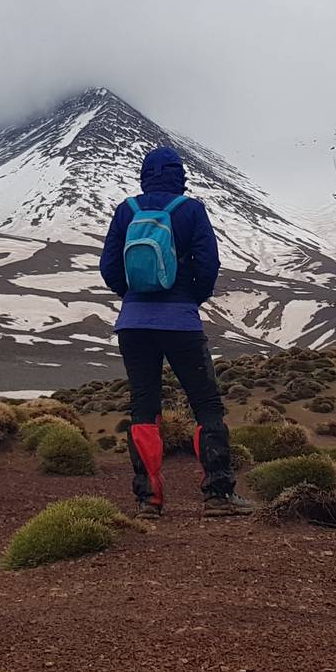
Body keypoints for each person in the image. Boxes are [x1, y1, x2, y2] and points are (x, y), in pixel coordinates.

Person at [99, 145, 252, 518]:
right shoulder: (191, 210)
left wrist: (132, 296)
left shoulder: (127, 210)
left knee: (144, 406)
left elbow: (109, 267)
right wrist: (190, 297)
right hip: (181, 322)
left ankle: (147, 499)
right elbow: (209, 264)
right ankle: (218, 494)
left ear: (144, 174)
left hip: (133, 324)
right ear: (180, 175)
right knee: (205, 404)